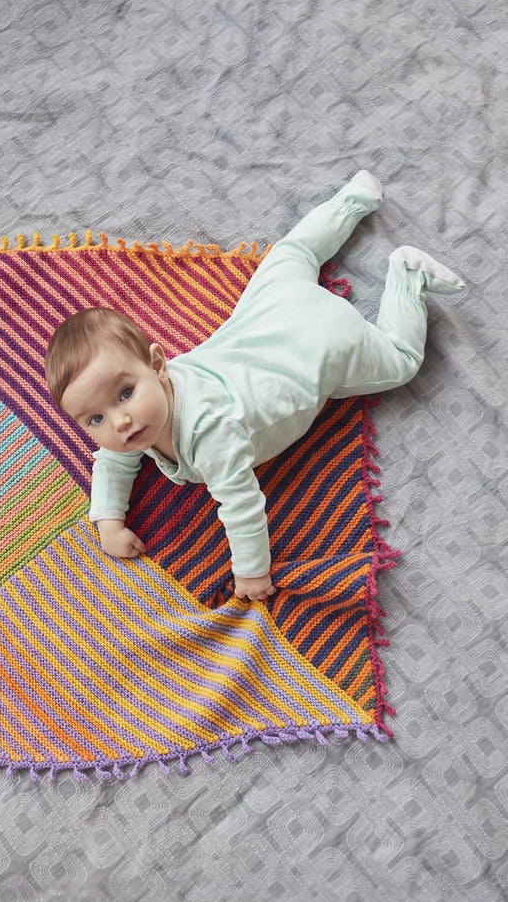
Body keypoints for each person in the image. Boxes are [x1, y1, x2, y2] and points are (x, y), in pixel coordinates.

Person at [44, 172, 465, 601]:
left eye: (125, 394)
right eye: (95, 419)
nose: (120, 421)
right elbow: (113, 460)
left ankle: (408, 279)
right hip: (271, 305)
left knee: (400, 360)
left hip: (321, 344)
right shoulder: (145, 406)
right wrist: (109, 521)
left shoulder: (210, 437)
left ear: (157, 365)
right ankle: (354, 196)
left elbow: (242, 507)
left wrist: (250, 572)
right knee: (295, 251)